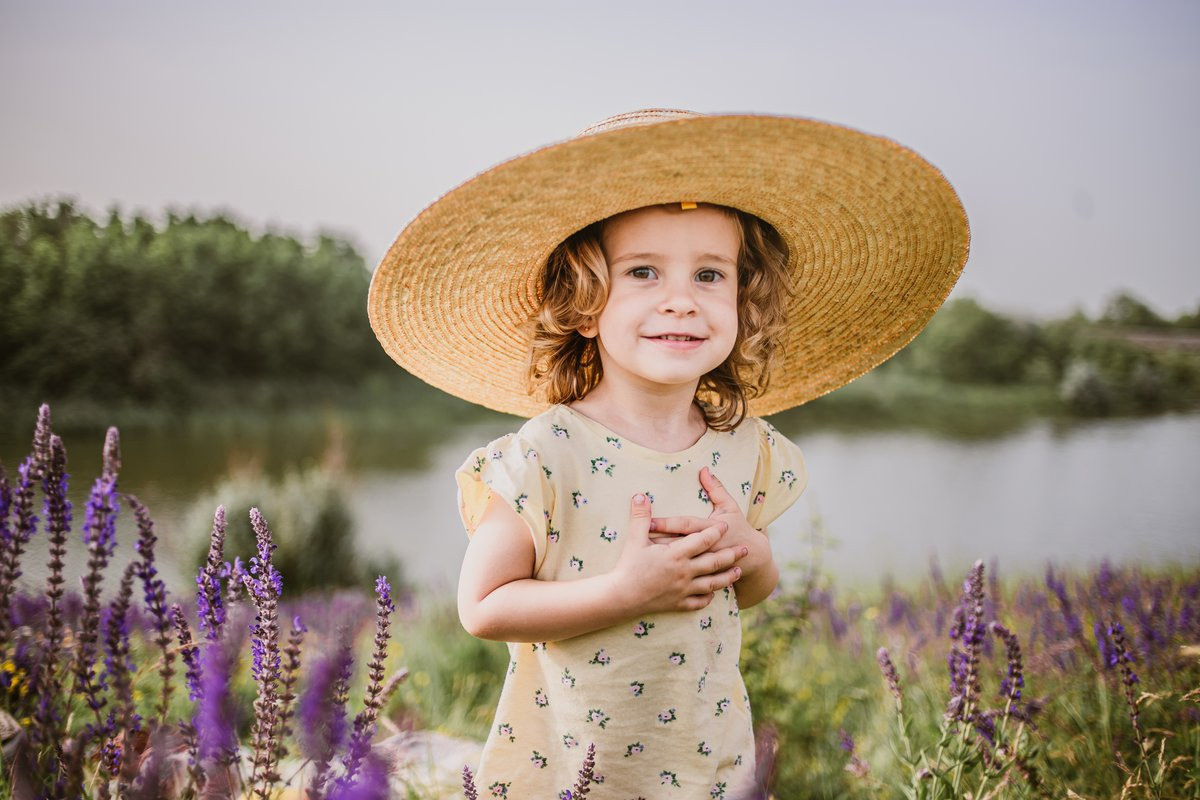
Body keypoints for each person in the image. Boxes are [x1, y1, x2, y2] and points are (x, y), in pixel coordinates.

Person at [368, 109, 969, 798]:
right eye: (644, 272)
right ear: (585, 305)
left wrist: (751, 552)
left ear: (744, 299)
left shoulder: (746, 450)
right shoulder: (545, 454)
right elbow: (483, 606)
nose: (681, 301)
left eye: (710, 275)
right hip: (574, 769)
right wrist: (625, 593)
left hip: (706, 760)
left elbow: (751, 591)